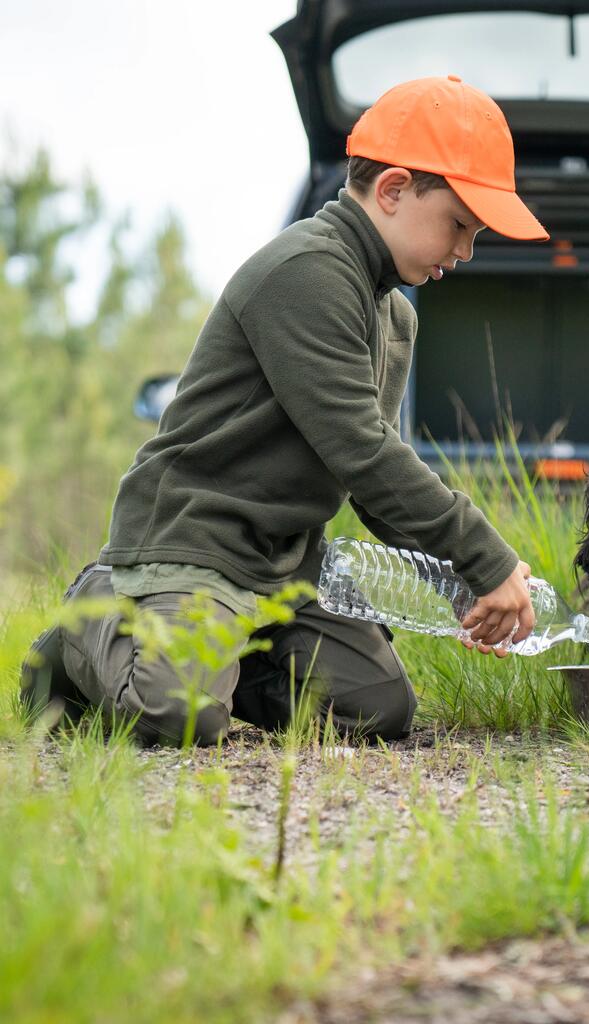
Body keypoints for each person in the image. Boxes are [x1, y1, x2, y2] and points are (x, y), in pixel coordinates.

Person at [21, 75, 549, 746]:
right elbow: (361, 447)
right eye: (459, 225)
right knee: (176, 715)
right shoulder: (306, 272)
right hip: (195, 548)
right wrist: (485, 553)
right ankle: (85, 631)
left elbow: (374, 487)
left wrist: (461, 582)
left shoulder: (392, 315)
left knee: (378, 709)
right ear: (391, 190)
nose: (465, 251)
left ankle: (205, 660)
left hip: (279, 571)